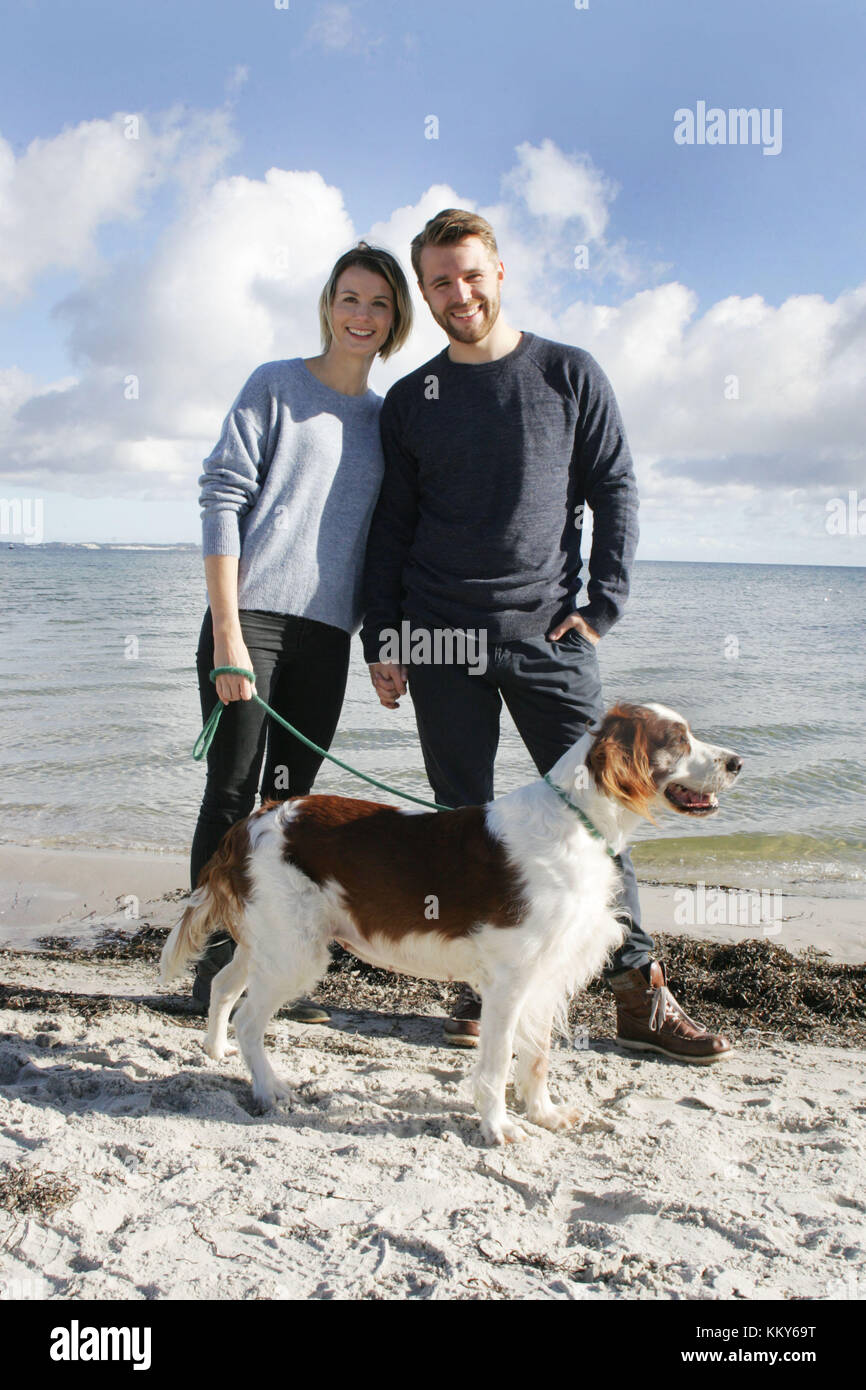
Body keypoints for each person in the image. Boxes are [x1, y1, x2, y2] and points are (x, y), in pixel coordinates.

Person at [361, 209, 730, 1062]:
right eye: (441, 281)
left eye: (472, 274)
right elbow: (392, 529)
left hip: (547, 636)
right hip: (439, 639)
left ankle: (641, 995)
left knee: (603, 819)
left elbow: (617, 491)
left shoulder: (567, 372)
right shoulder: (412, 402)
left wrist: (600, 607)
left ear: (500, 272)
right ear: (425, 291)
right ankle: (475, 980)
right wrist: (384, 638)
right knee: (462, 820)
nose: (460, 293)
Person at [191, 241, 413, 1015]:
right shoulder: (275, 385)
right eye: (350, 298)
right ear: (328, 305)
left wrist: (384, 645)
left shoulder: (387, 424)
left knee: (290, 812)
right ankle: (209, 974)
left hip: (327, 638)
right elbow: (221, 497)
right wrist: (227, 637)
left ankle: (269, 973)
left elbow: (387, 546)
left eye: (379, 304)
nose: (362, 315)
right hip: (248, 621)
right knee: (231, 796)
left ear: (395, 322)